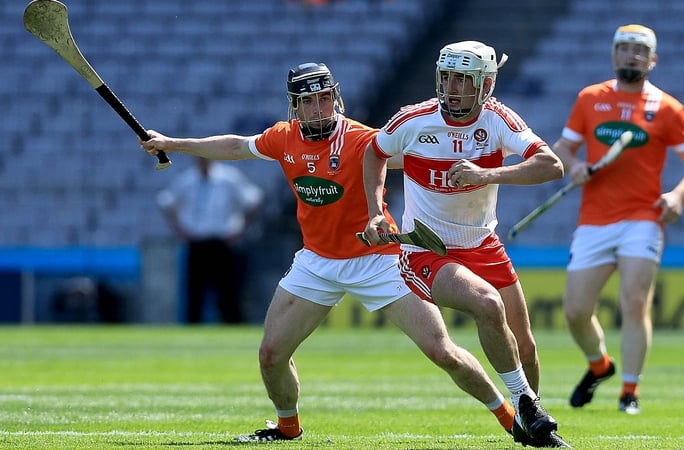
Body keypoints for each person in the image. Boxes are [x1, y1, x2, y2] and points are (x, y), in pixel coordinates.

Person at [141, 62, 556, 446]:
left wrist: (473, 167)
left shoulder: (360, 138)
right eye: (308, 101)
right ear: (295, 107)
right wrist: (173, 144)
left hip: (380, 260)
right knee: (270, 354)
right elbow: (235, 146)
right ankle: (287, 427)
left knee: (442, 351)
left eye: (324, 98)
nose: (318, 108)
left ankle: (511, 417)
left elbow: (410, 155)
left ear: (335, 98)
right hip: (317, 263)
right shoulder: (282, 137)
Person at [362, 41, 569, 447]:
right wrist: (375, 210)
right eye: (446, 77)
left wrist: (487, 175)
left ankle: (532, 426)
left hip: (483, 243)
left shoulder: (497, 120)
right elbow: (374, 154)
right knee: (487, 305)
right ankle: (526, 403)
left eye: (462, 79)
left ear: (486, 84)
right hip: (427, 248)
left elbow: (552, 165)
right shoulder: (413, 120)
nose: (451, 87)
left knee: (524, 344)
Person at [549, 24, 684, 415]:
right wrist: (575, 166)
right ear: (613, 55)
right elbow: (562, 149)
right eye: (624, 48)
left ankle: (630, 391)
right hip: (594, 219)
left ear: (653, 60)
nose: (632, 56)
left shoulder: (668, 108)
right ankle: (600, 366)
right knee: (575, 312)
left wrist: (678, 194)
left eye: (640, 51)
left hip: (643, 217)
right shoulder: (590, 99)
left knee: (636, 301)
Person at [157, 156, 264, 324]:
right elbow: (166, 203)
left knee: (229, 290)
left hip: (223, 242)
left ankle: (232, 327)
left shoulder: (229, 178)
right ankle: (193, 329)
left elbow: (252, 200)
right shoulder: (186, 180)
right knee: (195, 291)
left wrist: (242, 229)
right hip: (197, 242)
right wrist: (181, 230)